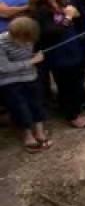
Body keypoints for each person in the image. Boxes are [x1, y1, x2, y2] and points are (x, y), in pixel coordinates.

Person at [29, 0, 85, 128]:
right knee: (66, 84)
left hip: (73, 47)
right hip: (59, 53)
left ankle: (74, 109)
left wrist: (74, 15)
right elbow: (48, 32)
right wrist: (68, 17)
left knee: (77, 81)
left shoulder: (61, 2)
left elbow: (77, 18)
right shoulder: (40, 11)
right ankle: (72, 116)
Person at [0, 17, 52, 152]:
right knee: (20, 108)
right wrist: (32, 61)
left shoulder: (28, 38)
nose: (27, 43)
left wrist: (34, 56)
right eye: (25, 40)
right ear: (17, 35)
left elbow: (27, 56)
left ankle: (40, 132)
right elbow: (4, 68)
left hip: (31, 77)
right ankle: (28, 135)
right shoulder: (1, 43)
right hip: (11, 82)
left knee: (37, 103)